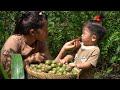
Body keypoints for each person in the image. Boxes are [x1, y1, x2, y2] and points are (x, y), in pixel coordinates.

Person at [0, 11, 52, 78]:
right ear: (33, 32)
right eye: (45, 30)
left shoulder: (40, 41)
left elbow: (51, 63)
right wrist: (30, 60)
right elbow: (8, 74)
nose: (48, 32)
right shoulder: (13, 44)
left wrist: (63, 50)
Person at [55, 14, 107, 79]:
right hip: (75, 75)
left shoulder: (95, 50)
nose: (81, 35)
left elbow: (89, 64)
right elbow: (73, 54)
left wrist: (76, 65)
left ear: (93, 38)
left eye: (84, 33)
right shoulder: (81, 45)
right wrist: (65, 59)